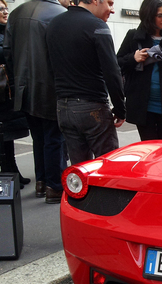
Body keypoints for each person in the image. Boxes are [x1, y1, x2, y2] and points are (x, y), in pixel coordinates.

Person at [46, 0, 126, 166]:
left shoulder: (54, 24)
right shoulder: (97, 26)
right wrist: (120, 108)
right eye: (109, 3)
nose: (111, 10)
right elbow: (112, 72)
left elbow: (49, 66)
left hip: (64, 106)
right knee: (108, 166)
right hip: (92, 106)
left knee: (80, 169)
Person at [4, 0, 69, 203]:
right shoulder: (59, 13)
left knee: (39, 138)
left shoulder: (17, 13)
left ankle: (42, 182)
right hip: (49, 86)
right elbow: (63, 56)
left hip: (24, 87)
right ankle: (53, 186)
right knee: (54, 138)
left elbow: (8, 53)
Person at [117, 0, 162, 141]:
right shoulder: (133, 36)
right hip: (143, 106)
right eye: (160, 15)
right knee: (148, 149)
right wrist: (133, 58)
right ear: (149, 16)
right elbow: (117, 63)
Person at [0, 0, 30, 187]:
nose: (5, 12)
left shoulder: (5, 32)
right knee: (0, 137)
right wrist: (8, 49)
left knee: (6, 136)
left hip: (6, 93)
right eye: (0, 9)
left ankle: (12, 172)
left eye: (6, 8)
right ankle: (8, 174)